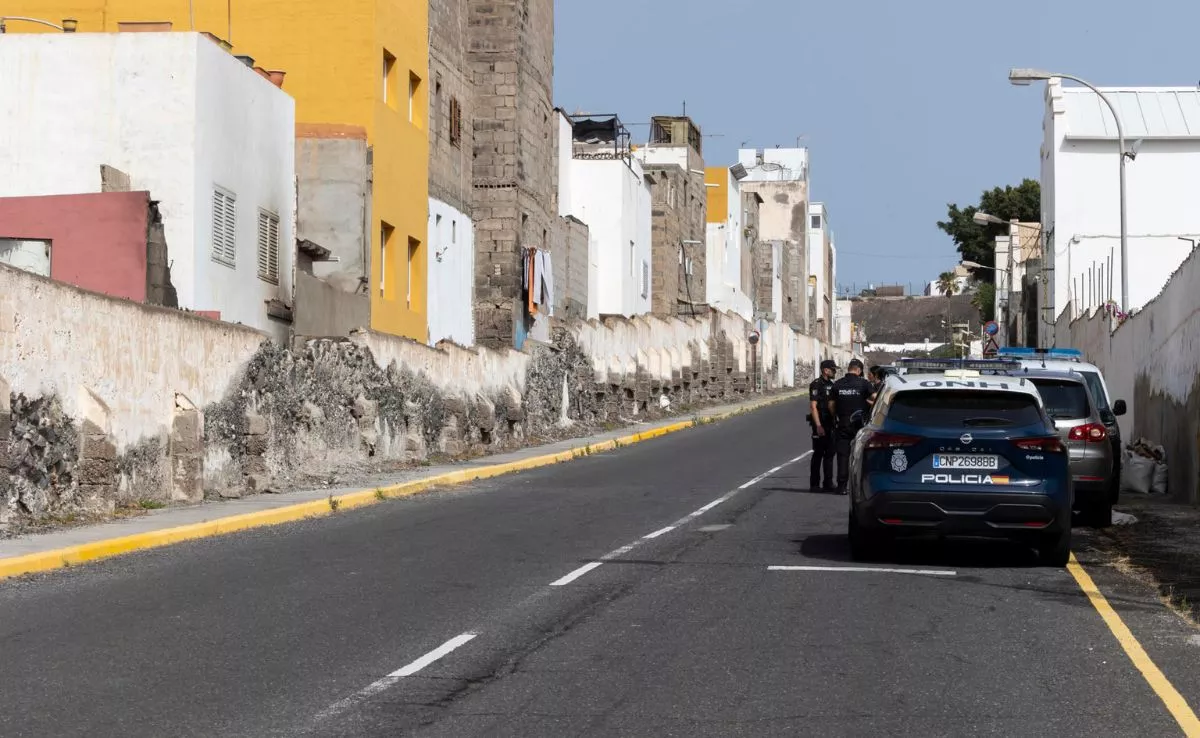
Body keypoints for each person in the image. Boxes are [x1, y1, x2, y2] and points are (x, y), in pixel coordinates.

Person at [828, 358, 876, 494]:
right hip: (859, 425)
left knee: (842, 456)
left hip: (842, 424)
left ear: (849, 368)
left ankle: (842, 486)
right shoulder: (864, 384)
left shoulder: (837, 384)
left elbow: (831, 405)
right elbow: (877, 399)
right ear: (859, 370)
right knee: (861, 456)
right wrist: (867, 403)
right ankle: (861, 487)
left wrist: (836, 416)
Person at [807, 359, 837, 491]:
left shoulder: (832, 384)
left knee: (830, 453)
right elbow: (813, 407)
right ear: (826, 370)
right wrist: (818, 426)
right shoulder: (816, 384)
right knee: (818, 453)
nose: (834, 371)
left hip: (830, 423)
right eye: (832, 369)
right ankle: (814, 484)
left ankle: (828, 483)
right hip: (820, 422)